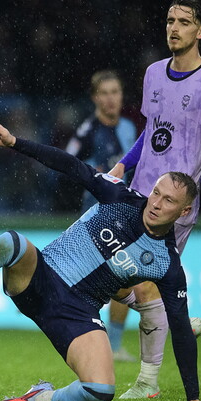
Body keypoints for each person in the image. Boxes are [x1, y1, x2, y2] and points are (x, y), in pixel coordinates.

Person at [0, 120, 201, 401]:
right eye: (156, 192)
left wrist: (192, 396)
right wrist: (14, 142)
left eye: (168, 201)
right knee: (11, 242)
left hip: (77, 313)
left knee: (100, 391)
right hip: (41, 278)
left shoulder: (166, 263)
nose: (155, 203)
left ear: (184, 212)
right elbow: (70, 165)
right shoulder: (120, 196)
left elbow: (181, 328)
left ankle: (38, 399)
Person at [106, 0, 201, 400]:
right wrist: (122, 167)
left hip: (173, 207)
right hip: (137, 194)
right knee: (107, 276)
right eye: (169, 20)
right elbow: (151, 131)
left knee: (141, 282)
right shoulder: (152, 73)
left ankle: (147, 383)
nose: (174, 28)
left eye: (184, 22)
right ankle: (172, 315)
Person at [65, 69, 139, 362]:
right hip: (94, 217)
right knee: (104, 281)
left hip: (126, 215)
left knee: (125, 278)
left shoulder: (130, 128)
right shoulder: (87, 131)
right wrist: (90, 177)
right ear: (95, 97)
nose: (111, 99)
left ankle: (114, 346)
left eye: (116, 92)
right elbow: (66, 166)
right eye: (105, 93)